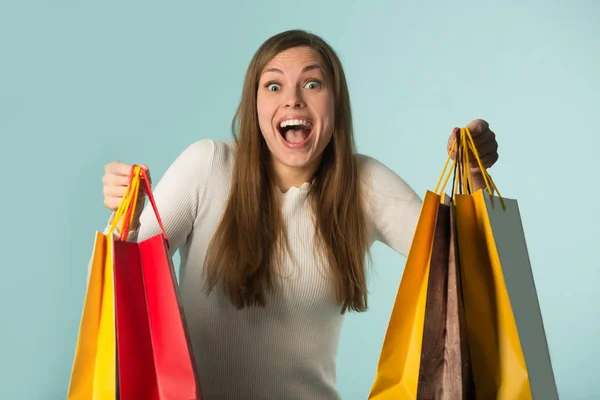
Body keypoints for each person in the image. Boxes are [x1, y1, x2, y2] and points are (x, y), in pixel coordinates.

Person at [101, 30, 499, 400]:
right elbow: (114, 296)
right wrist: (127, 219)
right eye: (274, 85)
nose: (293, 99)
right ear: (254, 104)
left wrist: (474, 177)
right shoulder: (207, 166)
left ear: (335, 103)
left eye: (312, 83)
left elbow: (466, 265)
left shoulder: (363, 184)